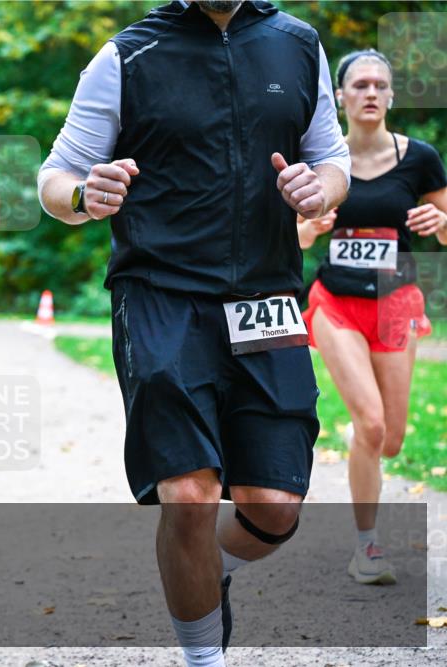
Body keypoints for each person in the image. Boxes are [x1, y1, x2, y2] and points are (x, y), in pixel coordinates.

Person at [38, 2, 350, 665]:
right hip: (162, 295)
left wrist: (320, 190)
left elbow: (333, 162)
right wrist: (80, 196)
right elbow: (54, 177)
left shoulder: (298, 45)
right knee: (188, 496)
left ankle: (210, 570)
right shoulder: (126, 56)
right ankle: (203, 654)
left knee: (275, 507)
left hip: (265, 295)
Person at [297, 49, 447, 585]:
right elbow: (285, 237)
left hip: (395, 303)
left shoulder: (420, 158)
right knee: (372, 421)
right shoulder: (318, 159)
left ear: (390, 96)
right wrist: (309, 230)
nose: (370, 93)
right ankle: (367, 547)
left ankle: (363, 463)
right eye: (359, 84)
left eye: (380, 85)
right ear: (339, 95)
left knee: (393, 439)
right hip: (335, 302)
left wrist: (440, 222)